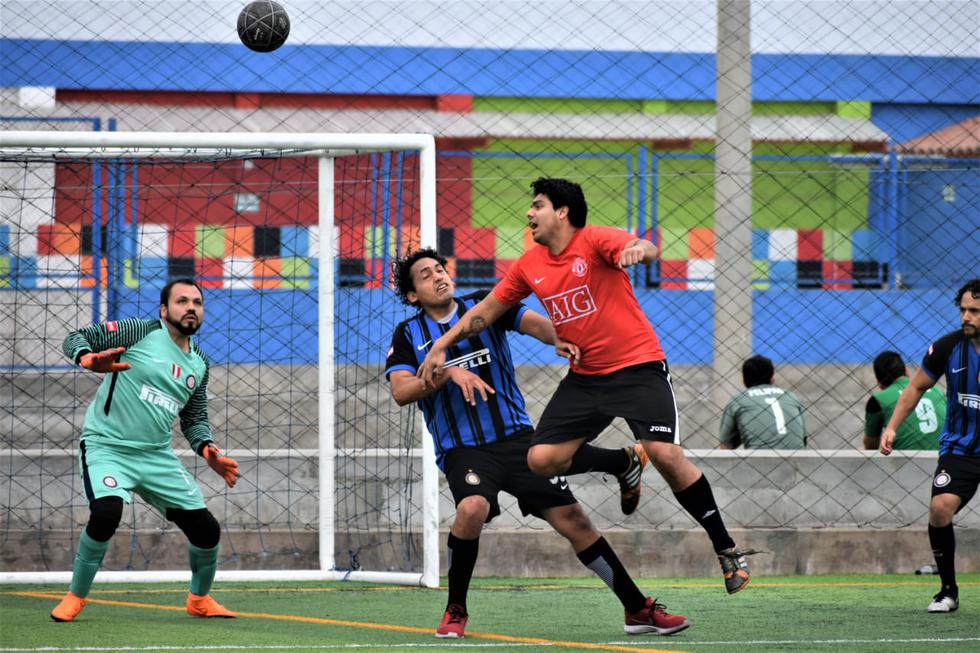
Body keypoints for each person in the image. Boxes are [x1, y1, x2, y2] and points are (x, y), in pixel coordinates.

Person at [418, 177, 756, 594]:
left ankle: (726, 550)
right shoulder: (529, 264)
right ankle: (623, 463)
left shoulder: (595, 240)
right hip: (587, 378)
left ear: (561, 211)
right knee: (541, 459)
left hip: (638, 368)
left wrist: (641, 251)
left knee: (665, 454)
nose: (529, 213)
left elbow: (643, 247)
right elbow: (486, 311)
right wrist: (441, 346)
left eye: (537, 205)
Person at [385, 248, 688, 637]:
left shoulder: (482, 306)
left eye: (441, 269)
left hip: (517, 439)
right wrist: (448, 373)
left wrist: (563, 339)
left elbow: (533, 324)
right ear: (412, 295)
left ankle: (637, 609)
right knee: (472, 508)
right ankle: (456, 609)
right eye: (426, 275)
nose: (439, 276)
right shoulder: (408, 335)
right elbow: (401, 391)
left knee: (575, 521)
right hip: (464, 450)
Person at [50, 278, 241, 622]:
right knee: (106, 514)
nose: (191, 308)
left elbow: (194, 419)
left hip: (156, 456)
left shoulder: (199, 363)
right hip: (107, 447)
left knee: (207, 530)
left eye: (197, 303)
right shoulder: (139, 330)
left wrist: (209, 450)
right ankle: (75, 597)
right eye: (182, 301)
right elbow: (75, 337)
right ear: (164, 309)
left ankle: (199, 599)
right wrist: (88, 359)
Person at [880, 278, 980, 614]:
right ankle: (948, 590)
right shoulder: (949, 347)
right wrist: (892, 427)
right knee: (940, 510)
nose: (966, 317)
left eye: (975, 311)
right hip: (960, 449)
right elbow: (914, 389)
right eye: (963, 310)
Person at [718, 355, 807, 449]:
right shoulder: (790, 396)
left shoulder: (738, 400)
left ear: (744, 381)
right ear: (772, 378)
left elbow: (725, 446)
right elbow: (803, 439)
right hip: (798, 460)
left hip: (757, 461)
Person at [863, 351, 945, 451]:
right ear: (906, 371)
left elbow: (871, 444)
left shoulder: (877, 400)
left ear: (879, 382)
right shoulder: (936, 389)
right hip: (944, 455)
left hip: (905, 462)